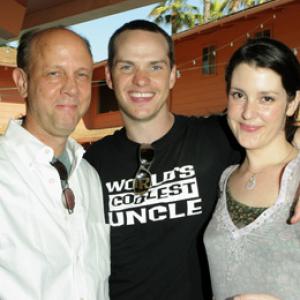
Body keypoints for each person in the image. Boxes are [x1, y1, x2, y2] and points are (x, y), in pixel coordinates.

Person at [84, 20, 300, 300]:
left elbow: (270, 128)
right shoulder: (90, 164)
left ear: (173, 75)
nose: (141, 79)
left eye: (155, 66)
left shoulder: (218, 138)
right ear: (109, 77)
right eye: (127, 66)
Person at [0, 27, 110, 300]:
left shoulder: (89, 176)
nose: (71, 88)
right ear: (22, 81)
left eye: (82, 75)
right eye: (54, 73)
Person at [204, 38, 300, 300]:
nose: (248, 112)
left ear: (292, 103)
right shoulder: (225, 178)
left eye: (266, 98)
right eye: (239, 95)